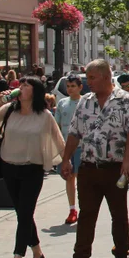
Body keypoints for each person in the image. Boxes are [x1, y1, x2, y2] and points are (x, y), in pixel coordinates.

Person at [59, 60, 129, 258]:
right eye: (87, 78)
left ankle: (121, 253)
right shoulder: (85, 102)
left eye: (93, 78)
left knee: (118, 213)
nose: (89, 82)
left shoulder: (125, 100)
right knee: (87, 214)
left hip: (114, 167)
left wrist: (128, 160)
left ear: (107, 77)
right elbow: (74, 132)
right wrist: (66, 159)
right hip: (88, 167)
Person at [0, 77, 64, 258]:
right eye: (21, 85)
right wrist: (0, 102)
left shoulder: (44, 116)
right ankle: (38, 255)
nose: (21, 88)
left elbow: (58, 140)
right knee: (22, 213)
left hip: (32, 170)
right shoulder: (9, 111)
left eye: (26, 86)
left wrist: (66, 163)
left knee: (25, 213)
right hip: (9, 167)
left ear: (35, 92)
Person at [54, 74, 84, 225]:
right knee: (69, 177)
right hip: (66, 147)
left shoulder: (85, 102)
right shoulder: (62, 103)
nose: (70, 89)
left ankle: (84, 207)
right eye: (68, 86)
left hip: (81, 146)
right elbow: (57, 125)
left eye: (73, 86)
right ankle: (72, 209)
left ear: (80, 87)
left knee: (81, 177)